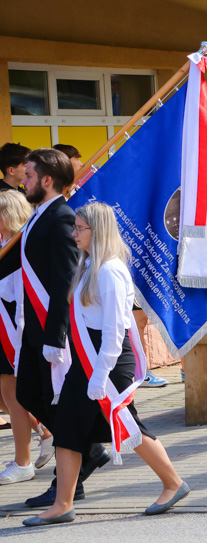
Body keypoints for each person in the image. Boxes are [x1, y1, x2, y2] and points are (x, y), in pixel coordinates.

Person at [22, 202, 189, 526]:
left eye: (80, 228)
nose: (74, 233)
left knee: (127, 426)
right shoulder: (87, 266)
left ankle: (173, 483)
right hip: (86, 360)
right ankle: (63, 503)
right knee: (67, 427)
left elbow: (114, 330)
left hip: (108, 360)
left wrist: (100, 375)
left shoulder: (111, 270)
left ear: (97, 231)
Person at [0, 148, 111, 508]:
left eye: (29, 176)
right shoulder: (38, 216)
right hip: (32, 329)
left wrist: (56, 336)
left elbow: (65, 280)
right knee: (29, 396)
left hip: (52, 334)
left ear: (47, 181)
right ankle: (89, 450)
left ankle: (68, 482)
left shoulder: (61, 217)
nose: (24, 181)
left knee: (55, 403)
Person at [0, 190, 56, 484]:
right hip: (4, 327)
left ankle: (22, 462)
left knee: (14, 397)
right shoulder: (6, 244)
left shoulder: (21, 246)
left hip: (12, 330)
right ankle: (46, 430)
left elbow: (12, 291)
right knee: (5, 398)